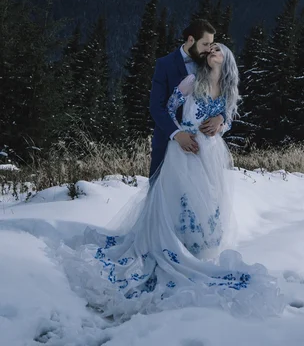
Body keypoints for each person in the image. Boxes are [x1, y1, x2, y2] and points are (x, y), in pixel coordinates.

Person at [59, 43, 284, 322]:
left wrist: (220, 120)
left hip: (212, 153)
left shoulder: (227, 90)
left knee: (209, 203)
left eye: (218, 50)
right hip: (185, 151)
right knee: (182, 200)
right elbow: (169, 107)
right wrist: (180, 122)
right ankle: (175, 249)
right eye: (210, 48)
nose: (213, 51)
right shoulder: (192, 80)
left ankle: (198, 251)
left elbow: (227, 122)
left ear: (227, 61)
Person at [149, 19, 226, 178]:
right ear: (191, 40)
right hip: (171, 145)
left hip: (204, 149)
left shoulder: (209, 63)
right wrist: (177, 134)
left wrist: (221, 117)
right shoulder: (165, 64)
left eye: (211, 44)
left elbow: (223, 96)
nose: (209, 49)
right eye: (205, 44)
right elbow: (156, 107)